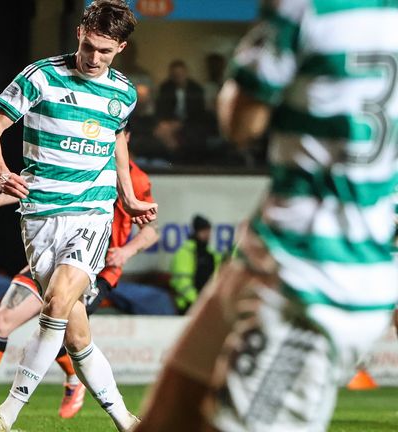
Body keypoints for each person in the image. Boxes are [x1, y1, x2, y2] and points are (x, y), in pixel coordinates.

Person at [136, 1, 398, 431]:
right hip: (280, 258)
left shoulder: (306, 8)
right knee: (164, 419)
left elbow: (240, 123)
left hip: (309, 286)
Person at [0, 1, 158, 431]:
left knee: (55, 302)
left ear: (121, 48)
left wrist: (127, 197)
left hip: (92, 212)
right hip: (40, 215)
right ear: (79, 34)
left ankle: (4, 416)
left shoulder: (123, 93)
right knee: (76, 335)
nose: (94, 58)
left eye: (105, 51)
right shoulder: (41, 77)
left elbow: (117, 142)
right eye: (90, 47)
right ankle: (126, 420)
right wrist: (1, 174)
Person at [0, 153, 158, 421]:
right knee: (1, 320)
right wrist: (1, 199)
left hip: (96, 267)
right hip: (53, 252)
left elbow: (151, 230)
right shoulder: (78, 155)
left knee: (67, 335)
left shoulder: (133, 177)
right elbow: (40, 185)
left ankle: (56, 392)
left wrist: (126, 251)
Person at [169, 214, 221, 314]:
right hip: (187, 306)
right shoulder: (184, 253)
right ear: (196, 232)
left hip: (204, 306)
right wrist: (199, 302)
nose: (207, 235)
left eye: (208, 231)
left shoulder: (210, 254)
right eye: (204, 231)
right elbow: (183, 285)